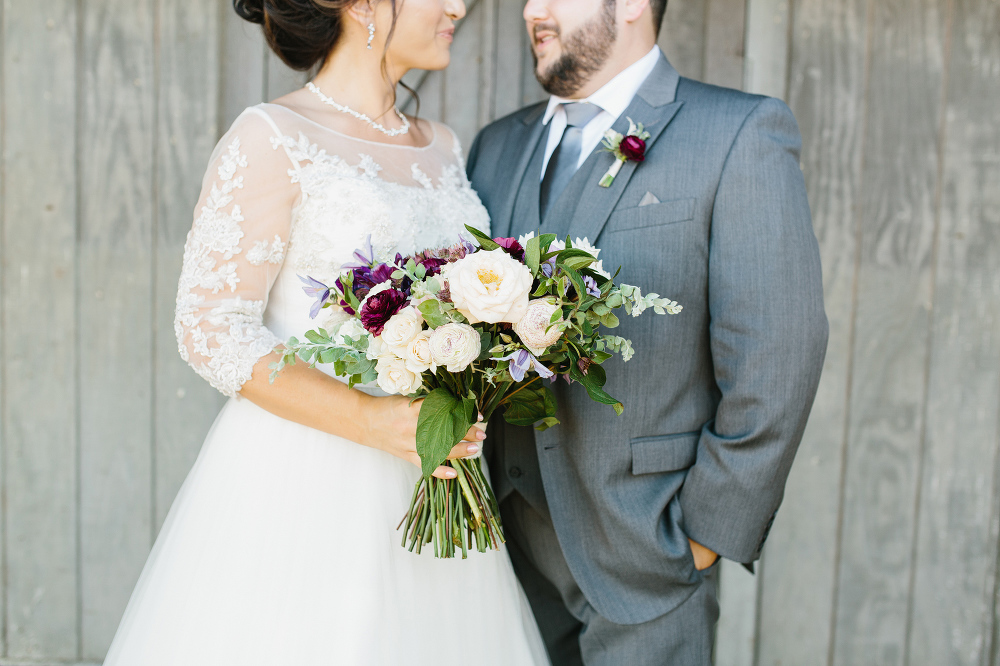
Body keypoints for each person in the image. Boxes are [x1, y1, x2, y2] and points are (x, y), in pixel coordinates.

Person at [102, 0, 548, 663]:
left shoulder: (445, 145)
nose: (461, 6)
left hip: (438, 474)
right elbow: (210, 328)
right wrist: (370, 420)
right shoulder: (272, 136)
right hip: (306, 481)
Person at [467, 0, 829, 663]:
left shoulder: (738, 133)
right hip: (497, 558)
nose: (531, 10)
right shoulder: (497, 145)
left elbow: (778, 355)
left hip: (647, 554)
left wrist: (703, 536)